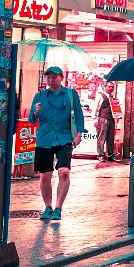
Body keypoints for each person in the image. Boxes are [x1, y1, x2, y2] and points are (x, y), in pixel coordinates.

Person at [28, 68, 85, 219]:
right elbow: (31, 120)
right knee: (45, 176)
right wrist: (35, 112)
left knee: (64, 172)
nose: (51, 80)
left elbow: (78, 114)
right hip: (44, 140)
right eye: (48, 77)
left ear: (61, 78)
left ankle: (58, 208)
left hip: (64, 138)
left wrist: (79, 133)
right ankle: (48, 207)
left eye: (54, 77)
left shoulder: (70, 94)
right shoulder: (39, 96)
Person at [95, 92, 119, 163]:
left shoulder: (113, 97)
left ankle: (110, 155)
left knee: (110, 138)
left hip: (111, 118)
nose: (111, 88)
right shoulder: (101, 96)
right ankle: (100, 155)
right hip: (103, 118)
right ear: (105, 87)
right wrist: (95, 119)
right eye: (109, 86)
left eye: (112, 87)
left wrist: (117, 117)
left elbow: (116, 109)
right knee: (101, 137)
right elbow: (96, 107)